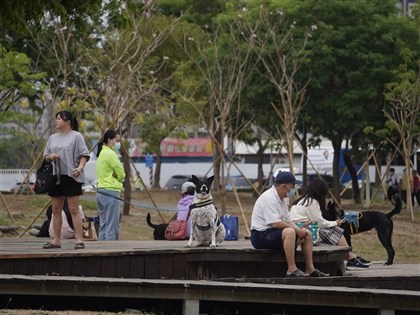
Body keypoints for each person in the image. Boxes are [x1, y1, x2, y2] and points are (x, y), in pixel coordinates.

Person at [250, 171, 329, 277]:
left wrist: (300, 231)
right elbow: (276, 224)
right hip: (260, 235)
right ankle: (291, 269)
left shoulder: (282, 199)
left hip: (273, 233)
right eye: (293, 186)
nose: (294, 189)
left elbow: (289, 220)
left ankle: (310, 268)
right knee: (290, 232)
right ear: (284, 186)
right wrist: (296, 230)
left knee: (307, 233)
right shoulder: (269, 198)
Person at [290, 178, 370, 270]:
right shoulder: (312, 202)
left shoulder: (302, 200)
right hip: (307, 234)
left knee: (334, 230)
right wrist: (335, 223)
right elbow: (320, 223)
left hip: (300, 231)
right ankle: (351, 259)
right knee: (335, 230)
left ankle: (351, 258)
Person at [42, 111, 90, 249]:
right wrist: (50, 157)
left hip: (71, 176)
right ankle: (56, 240)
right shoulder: (52, 138)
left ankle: (79, 240)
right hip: (56, 176)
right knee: (56, 209)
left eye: (59, 119)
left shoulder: (77, 136)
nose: (56, 121)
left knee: (73, 209)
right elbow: (45, 156)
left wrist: (80, 168)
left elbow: (84, 155)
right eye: (55, 118)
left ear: (68, 121)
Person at [96, 129, 126, 240]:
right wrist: (117, 177)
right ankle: (111, 249)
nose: (118, 143)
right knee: (112, 225)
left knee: (103, 224)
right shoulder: (111, 154)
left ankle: (102, 249)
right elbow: (122, 173)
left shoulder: (101, 153)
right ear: (109, 140)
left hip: (100, 191)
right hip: (111, 192)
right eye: (117, 140)